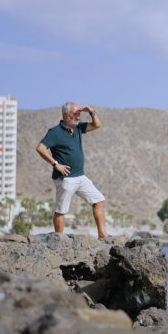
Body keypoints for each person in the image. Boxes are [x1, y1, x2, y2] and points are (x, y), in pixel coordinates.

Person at [36, 101, 108, 239]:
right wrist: (55, 164)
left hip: (81, 177)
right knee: (61, 211)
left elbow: (97, 125)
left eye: (79, 114)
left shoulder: (78, 128)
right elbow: (40, 148)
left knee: (99, 201)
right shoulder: (55, 132)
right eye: (75, 114)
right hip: (65, 178)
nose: (78, 116)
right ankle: (59, 239)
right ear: (65, 115)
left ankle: (102, 235)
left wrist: (91, 111)